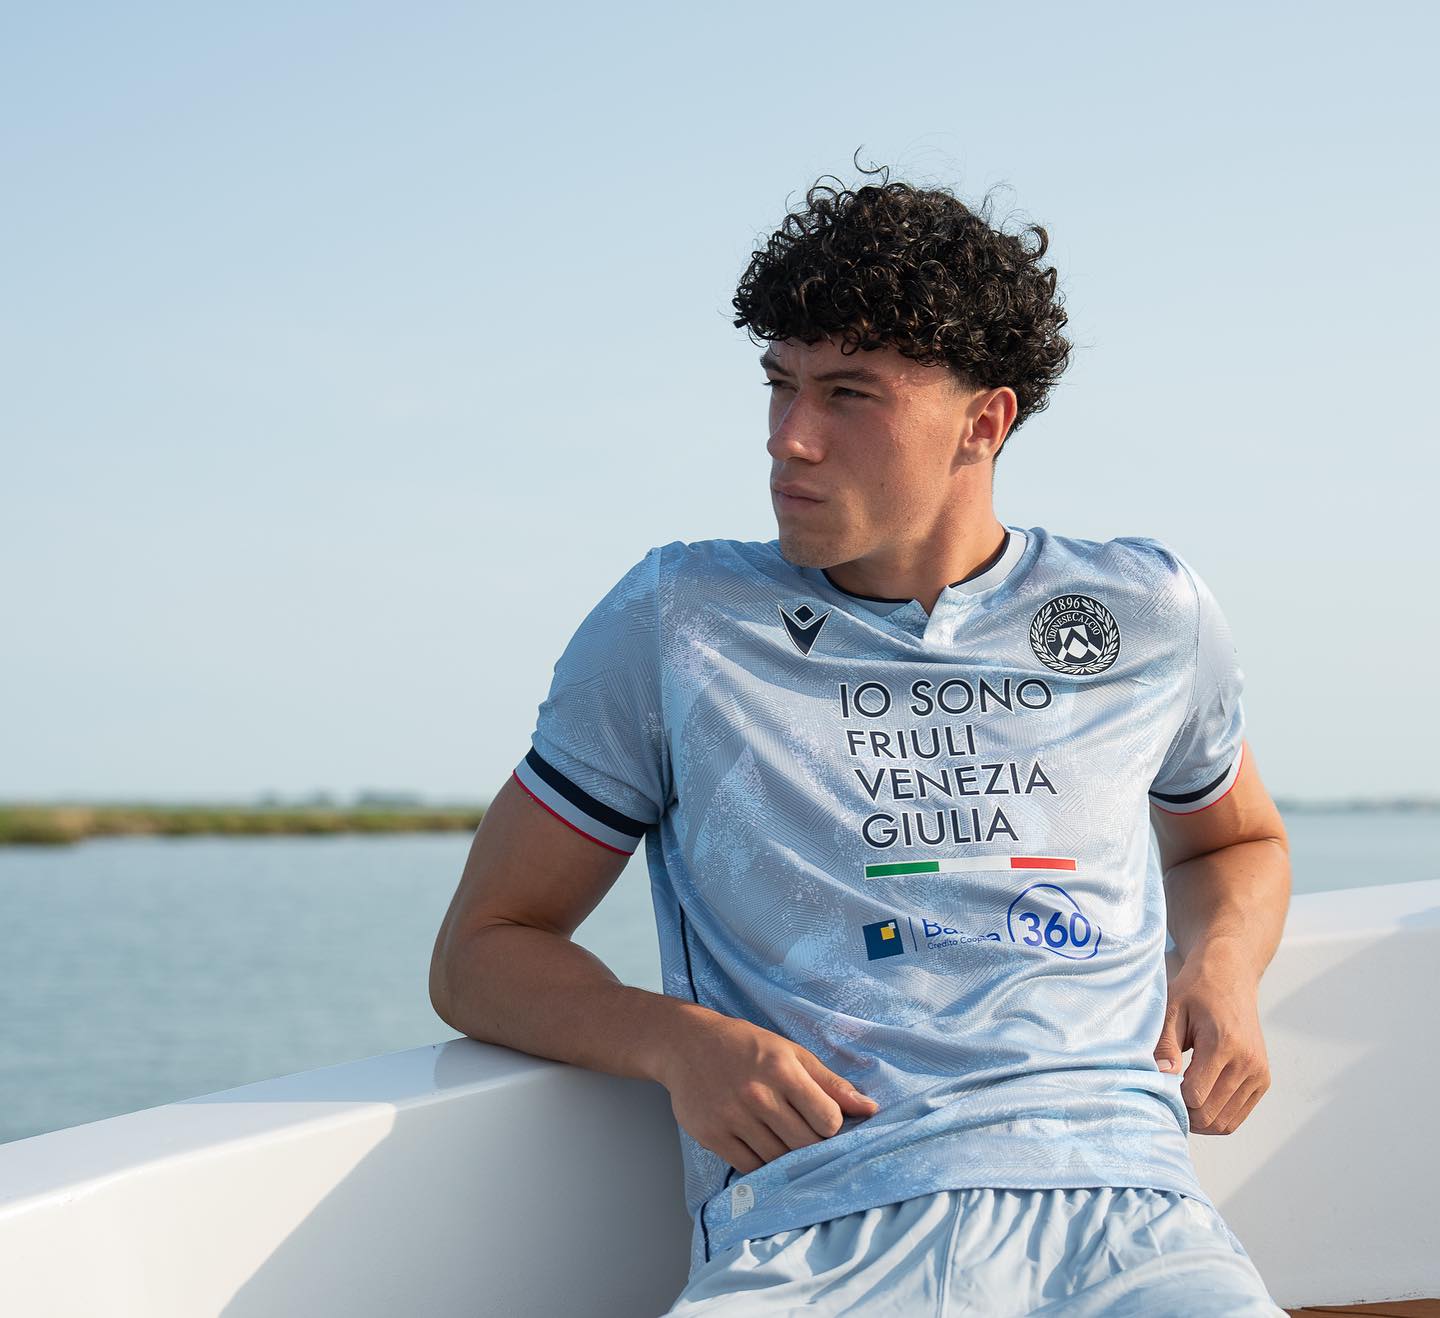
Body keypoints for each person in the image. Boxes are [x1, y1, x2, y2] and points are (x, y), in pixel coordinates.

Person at [429, 163, 1293, 1315]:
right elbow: (481, 949)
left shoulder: (1147, 612)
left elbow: (1235, 842)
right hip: (817, 1236)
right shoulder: (679, 624)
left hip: (1133, 1222)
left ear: (984, 423)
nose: (790, 439)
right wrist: (677, 1042)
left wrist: (1222, 966)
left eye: (848, 394)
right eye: (780, 384)